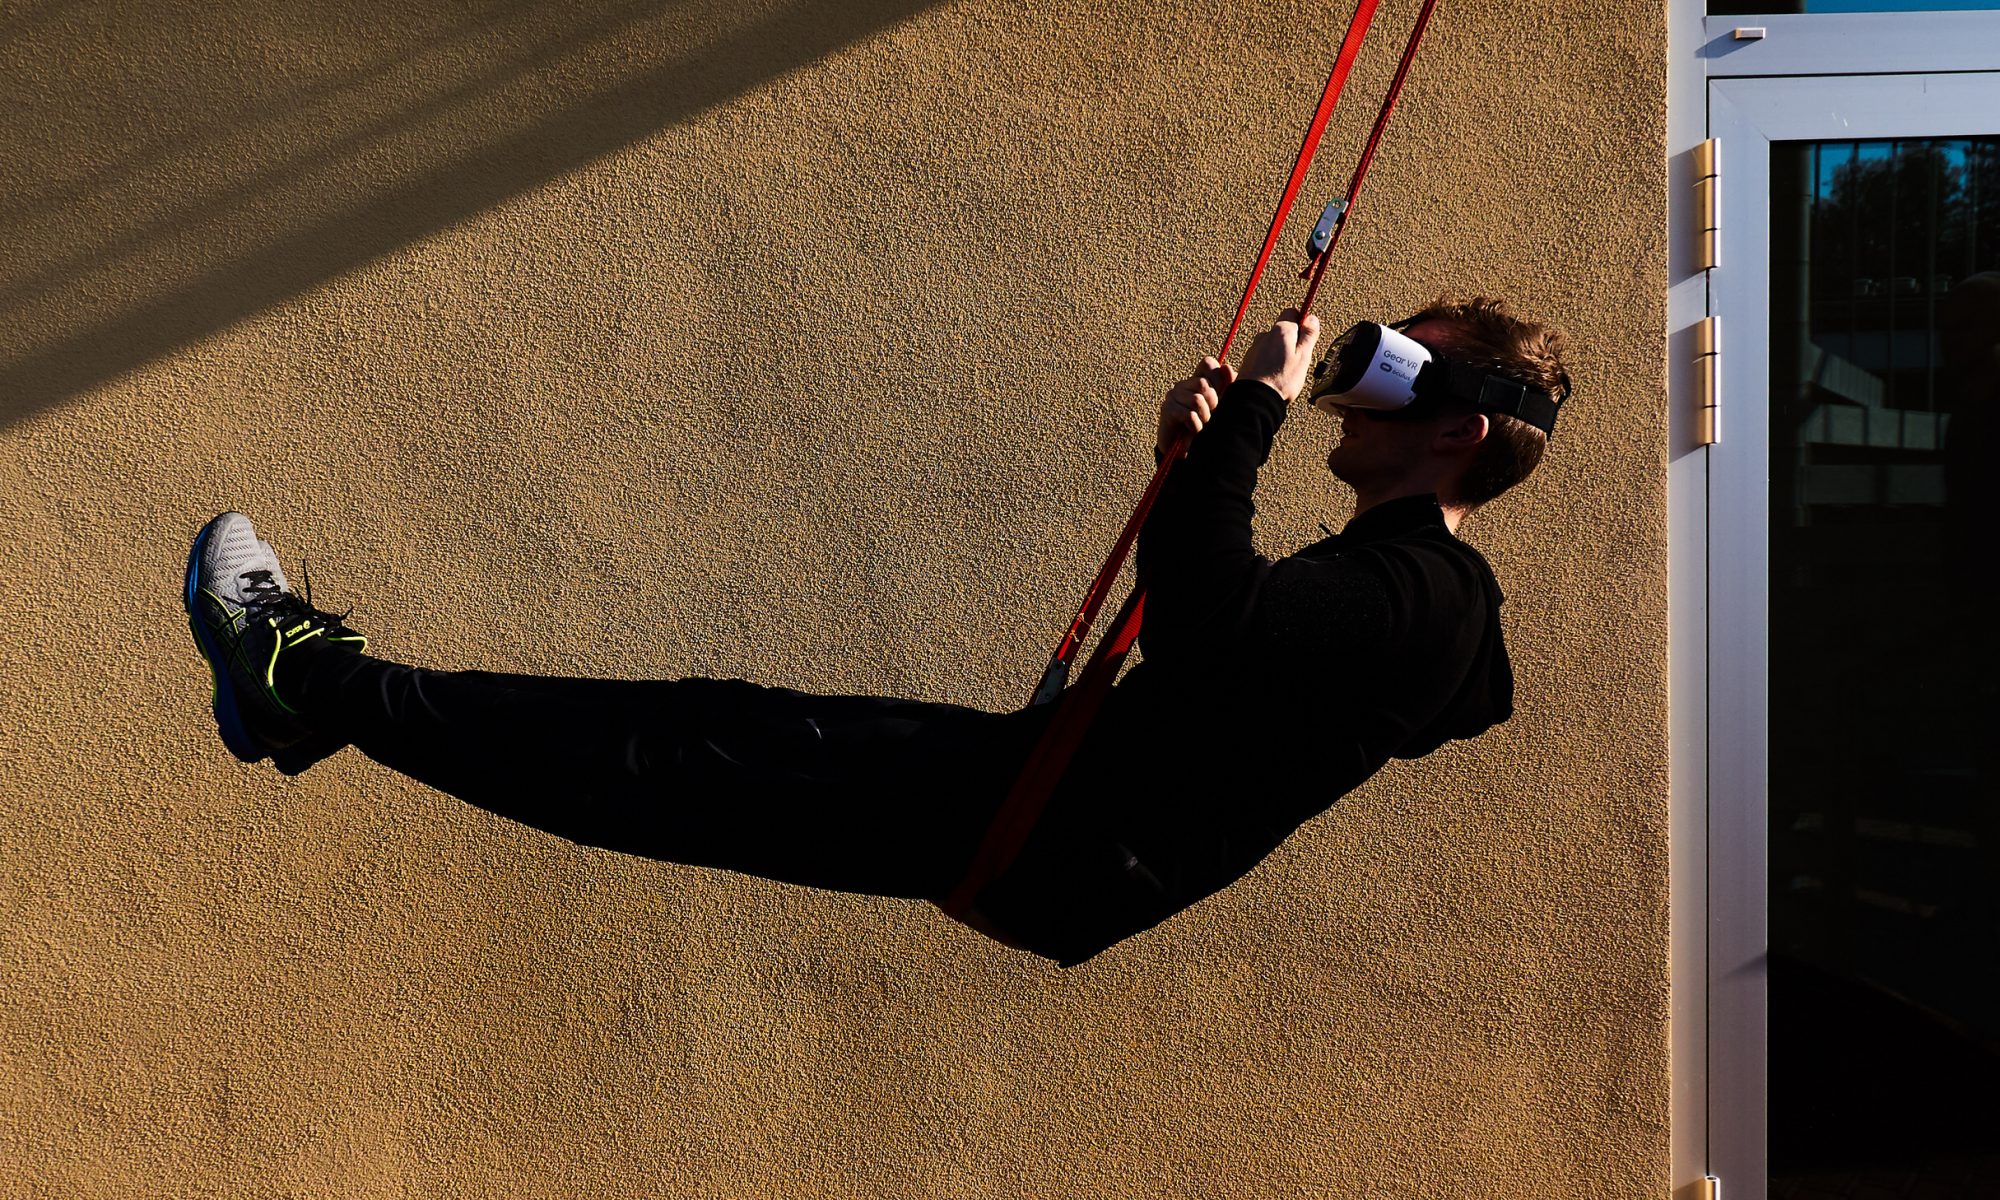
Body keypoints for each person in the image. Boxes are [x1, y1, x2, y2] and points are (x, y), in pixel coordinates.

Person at [183, 297, 1570, 967]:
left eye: (1390, 371)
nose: (1347, 389)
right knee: (685, 745)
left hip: (1041, 827)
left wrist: (1251, 414)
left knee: (669, 754)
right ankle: (312, 701)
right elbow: (1233, 650)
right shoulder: (1412, 594)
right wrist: (1190, 459)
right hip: (1040, 816)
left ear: (1455, 430)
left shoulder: (1426, 597)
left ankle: (301, 675)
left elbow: (1212, 620)